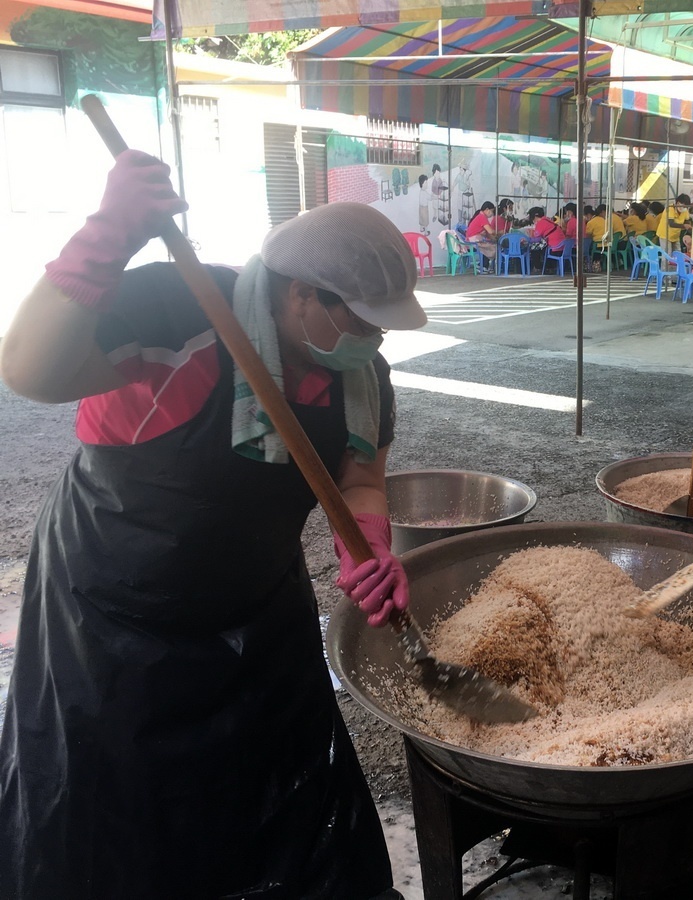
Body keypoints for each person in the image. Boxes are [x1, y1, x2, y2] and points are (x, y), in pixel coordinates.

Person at [0, 151, 425, 899]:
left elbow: (361, 476)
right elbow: (32, 372)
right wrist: (107, 237)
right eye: (361, 322)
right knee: (120, 821)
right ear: (302, 297)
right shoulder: (183, 310)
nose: (375, 342)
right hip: (111, 619)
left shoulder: (363, 373)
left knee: (278, 802)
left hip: (259, 611)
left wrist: (371, 546)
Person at [465, 200, 499, 267]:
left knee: (489, 245)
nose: (492, 213)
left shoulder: (481, 217)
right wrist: (498, 232)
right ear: (487, 209)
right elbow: (490, 231)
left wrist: (493, 238)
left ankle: (484, 265)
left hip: (473, 240)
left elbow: (487, 233)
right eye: (492, 211)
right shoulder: (482, 217)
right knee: (491, 248)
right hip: (473, 241)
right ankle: (482, 266)